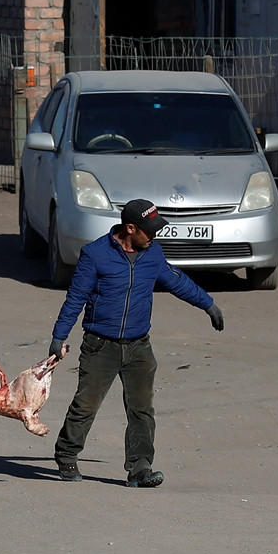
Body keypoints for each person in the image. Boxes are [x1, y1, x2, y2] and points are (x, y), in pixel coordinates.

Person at [47, 199, 223, 487]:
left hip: (139, 345)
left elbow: (177, 281)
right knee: (86, 405)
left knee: (142, 409)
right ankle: (66, 455)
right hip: (100, 345)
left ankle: (140, 468)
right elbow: (76, 297)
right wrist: (59, 336)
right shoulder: (95, 254)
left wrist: (209, 305)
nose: (154, 236)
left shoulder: (152, 254)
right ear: (130, 228)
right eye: (149, 231)